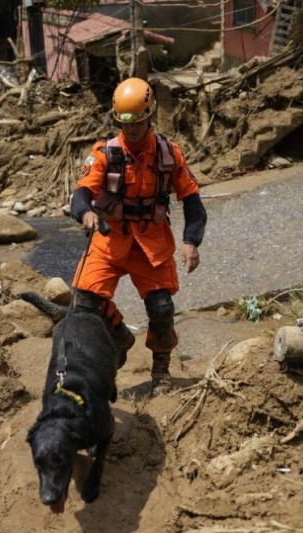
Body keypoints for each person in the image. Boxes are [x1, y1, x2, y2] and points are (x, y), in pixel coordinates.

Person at [69, 77, 207, 395]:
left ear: (150, 117)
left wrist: (191, 242)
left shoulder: (169, 154)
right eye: (125, 124)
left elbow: (193, 201)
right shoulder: (104, 153)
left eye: (138, 123)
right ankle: (119, 338)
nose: (131, 131)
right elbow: (81, 193)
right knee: (84, 301)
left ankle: (161, 371)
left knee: (161, 309)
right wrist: (87, 212)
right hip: (109, 239)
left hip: (151, 242)